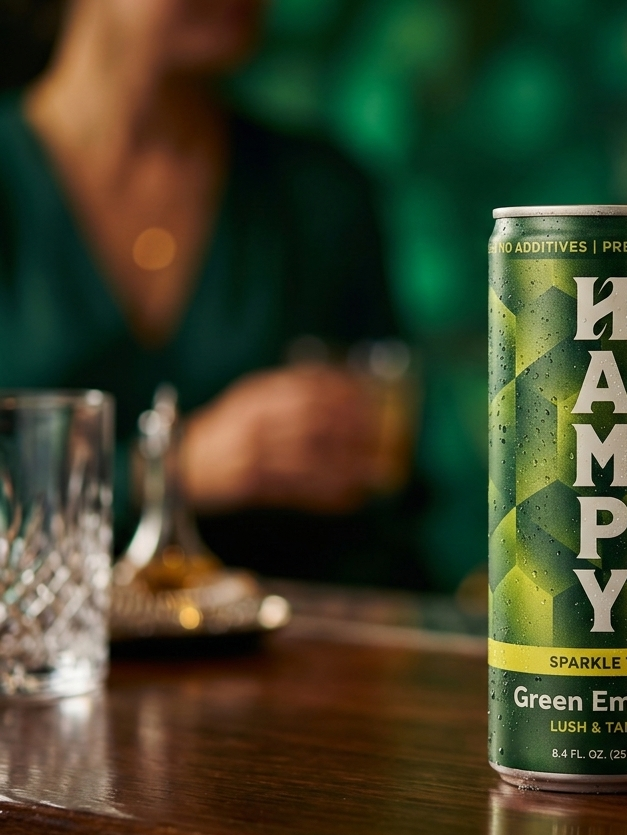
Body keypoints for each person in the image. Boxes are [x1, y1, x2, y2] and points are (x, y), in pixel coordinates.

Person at [0, 0, 424, 586]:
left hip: (289, 629)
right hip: (39, 634)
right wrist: (176, 469)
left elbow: (391, 497)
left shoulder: (318, 194)